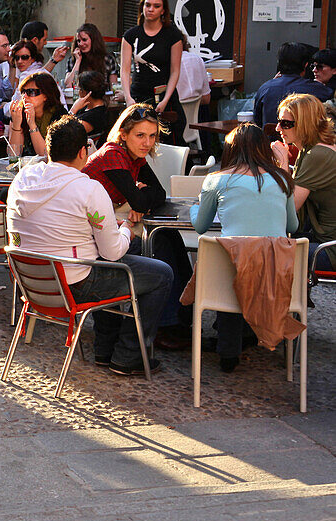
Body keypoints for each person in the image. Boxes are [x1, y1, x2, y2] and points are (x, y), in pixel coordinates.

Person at [7, 115, 170, 376]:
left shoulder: (22, 179)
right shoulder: (89, 189)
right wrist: (126, 229)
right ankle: (128, 356)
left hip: (33, 283)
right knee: (160, 273)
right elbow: (113, 252)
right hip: (74, 285)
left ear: (49, 148)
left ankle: (105, 351)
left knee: (106, 262)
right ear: (84, 151)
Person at [83, 104, 193, 349]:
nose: (147, 142)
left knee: (168, 235)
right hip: (90, 234)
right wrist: (141, 196)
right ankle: (167, 324)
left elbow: (160, 194)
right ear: (123, 134)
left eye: (152, 136)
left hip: (109, 221)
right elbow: (141, 200)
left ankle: (184, 316)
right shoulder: (113, 153)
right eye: (140, 135)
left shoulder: (135, 156)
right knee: (160, 242)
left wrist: (142, 197)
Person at [191, 123, 297, 371]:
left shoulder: (216, 181)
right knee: (242, 261)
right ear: (264, 149)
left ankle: (228, 353)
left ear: (230, 149)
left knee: (231, 266)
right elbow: (293, 223)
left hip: (233, 275)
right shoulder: (282, 179)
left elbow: (200, 226)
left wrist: (195, 206)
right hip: (276, 276)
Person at [271, 93, 336, 273]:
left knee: (264, 252)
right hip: (323, 239)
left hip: (329, 249)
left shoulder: (316, 154)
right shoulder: (312, 148)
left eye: (286, 124)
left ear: (304, 124)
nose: (278, 128)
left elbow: (289, 210)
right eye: (279, 121)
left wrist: (284, 163)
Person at [120, 0, 186, 144]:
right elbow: (125, 69)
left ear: (163, 10)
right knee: (134, 141)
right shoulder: (131, 35)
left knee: (168, 141)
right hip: (138, 95)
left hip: (164, 96)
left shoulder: (173, 35)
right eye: (148, 5)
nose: (151, 9)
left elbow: (175, 71)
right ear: (142, 7)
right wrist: (128, 97)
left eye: (156, 6)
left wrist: (165, 100)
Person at [254, 43, 333, 126]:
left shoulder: (265, 88)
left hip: (270, 137)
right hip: (304, 138)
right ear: (305, 65)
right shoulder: (318, 89)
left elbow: (258, 120)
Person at [8, 72, 65, 157]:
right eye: (23, 92)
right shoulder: (19, 113)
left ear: (46, 95)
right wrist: (16, 125)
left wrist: (32, 124)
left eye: (31, 92)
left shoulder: (59, 116)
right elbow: (13, 154)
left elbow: (45, 155)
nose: (25, 96)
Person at [61, 23, 118, 89]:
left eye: (84, 40)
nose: (81, 44)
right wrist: (78, 61)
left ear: (94, 40)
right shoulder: (73, 60)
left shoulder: (107, 59)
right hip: (81, 97)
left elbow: (114, 86)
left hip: (102, 97)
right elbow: (68, 84)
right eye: (78, 41)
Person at [70, 71, 112, 140]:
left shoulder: (96, 116)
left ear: (85, 92)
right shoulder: (85, 107)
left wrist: (73, 110)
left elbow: (65, 131)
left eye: (79, 89)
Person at [175, 36, 211, 107]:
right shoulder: (197, 59)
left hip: (175, 113)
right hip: (196, 113)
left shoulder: (165, 63)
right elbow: (206, 99)